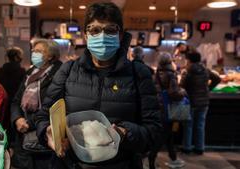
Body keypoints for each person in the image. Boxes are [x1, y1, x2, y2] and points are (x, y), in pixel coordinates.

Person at [34, 2, 162, 169]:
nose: (102, 36)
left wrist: (125, 133)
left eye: (110, 30)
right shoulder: (68, 70)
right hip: (71, 164)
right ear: (86, 36)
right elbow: (43, 116)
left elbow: (155, 131)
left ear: (120, 35)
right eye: (94, 30)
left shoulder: (138, 74)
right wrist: (47, 133)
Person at [10, 38, 62, 169]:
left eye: (38, 51)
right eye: (33, 50)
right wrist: (17, 118)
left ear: (50, 56)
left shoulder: (59, 74)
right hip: (22, 135)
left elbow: (53, 106)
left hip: (43, 138)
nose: (34, 53)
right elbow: (16, 100)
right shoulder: (30, 72)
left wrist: (29, 123)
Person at [180, 52, 221, 155]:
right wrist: (208, 89)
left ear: (189, 60)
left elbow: (182, 85)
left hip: (191, 101)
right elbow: (217, 78)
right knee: (200, 125)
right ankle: (199, 148)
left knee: (188, 125)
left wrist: (182, 76)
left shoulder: (188, 72)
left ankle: (187, 147)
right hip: (204, 102)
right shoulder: (205, 70)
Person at [153, 53, 186, 169]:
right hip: (170, 108)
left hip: (160, 106)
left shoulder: (158, 72)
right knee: (165, 134)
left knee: (167, 134)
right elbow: (174, 93)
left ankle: (173, 158)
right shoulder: (171, 74)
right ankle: (151, 157)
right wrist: (183, 92)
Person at [0, 47, 26, 143]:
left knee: (5, 126)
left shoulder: (1, 70)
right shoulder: (22, 71)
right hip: (17, 103)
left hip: (2, 102)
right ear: (17, 57)